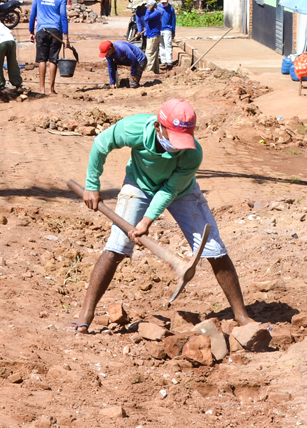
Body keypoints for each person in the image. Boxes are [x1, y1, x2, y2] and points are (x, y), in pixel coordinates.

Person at [72, 98, 253, 333]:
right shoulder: (133, 128)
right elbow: (101, 144)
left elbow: (170, 190)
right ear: (159, 126)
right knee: (116, 246)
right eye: (174, 139)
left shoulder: (193, 153)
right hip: (139, 184)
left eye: (182, 140)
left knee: (214, 248)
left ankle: (242, 315)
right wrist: (91, 184)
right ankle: (86, 313)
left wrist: (146, 220)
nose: (177, 146)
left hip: (181, 191)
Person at [29, 0, 71, 94]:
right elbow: (63, 17)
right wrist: (66, 37)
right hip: (56, 32)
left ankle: (41, 89)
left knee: (41, 59)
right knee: (53, 59)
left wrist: (31, 32)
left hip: (41, 31)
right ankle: (51, 89)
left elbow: (32, 15)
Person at [0, 20, 23, 91]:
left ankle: (1, 86)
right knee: (13, 63)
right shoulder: (0, 24)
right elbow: (11, 33)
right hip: (11, 41)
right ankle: (18, 84)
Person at [142, 0, 162, 75]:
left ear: (152, 6)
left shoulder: (157, 12)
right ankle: (156, 70)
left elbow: (146, 18)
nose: (147, 8)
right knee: (155, 54)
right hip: (153, 34)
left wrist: (148, 10)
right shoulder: (155, 13)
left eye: (149, 6)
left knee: (149, 53)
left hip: (153, 35)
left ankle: (149, 70)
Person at [158, 0, 176, 70]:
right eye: (162, 2)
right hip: (159, 29)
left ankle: (169, 61)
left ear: (168, 0)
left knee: (168, 45)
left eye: (165, 2)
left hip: (167, 29)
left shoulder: (171, 9)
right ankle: (163, 61)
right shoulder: (158, 7)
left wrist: (173, 31)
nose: (163, 3)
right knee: (161, 46)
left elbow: (173, 21)